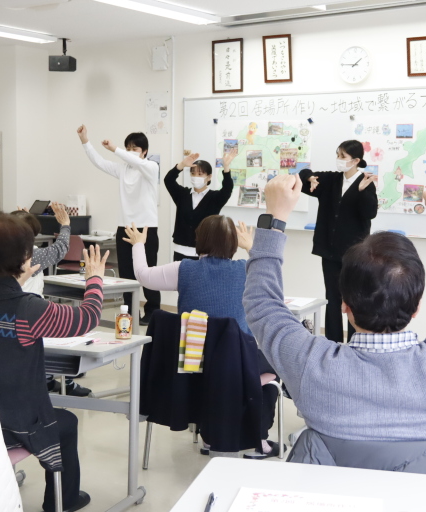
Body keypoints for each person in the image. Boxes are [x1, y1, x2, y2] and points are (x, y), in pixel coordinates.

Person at [243, 176, 426, 512]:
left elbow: (262, 301)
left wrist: (274, 218)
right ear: (418, 306)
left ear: (344, 305)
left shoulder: (310, 365)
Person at [0, 212, 109, 512]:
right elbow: (87, 318)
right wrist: (94, 279)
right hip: (6, 425)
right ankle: (62, 503)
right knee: (66, 423)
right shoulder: (27, 309)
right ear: (23, 259)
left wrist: (18, 277)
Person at [123, 216, 280, 458]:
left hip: (190, 365)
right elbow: (271, 276)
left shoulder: (182, 269)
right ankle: (259, 441)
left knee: (216, 375)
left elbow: (143, 275)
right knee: (272, 374)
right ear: (233, 243)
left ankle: (209, 437)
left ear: (199, 240)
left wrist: (138, 244)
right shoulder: (246, 269)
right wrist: (251, 248)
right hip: (234, 368)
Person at [77, 124, 160, 326]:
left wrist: (116, 149)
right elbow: (99, 162)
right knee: (126, 274)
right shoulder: (122, 169)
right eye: (128, 148)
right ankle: (129, 311)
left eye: (135, 149)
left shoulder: (151, 167)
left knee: (148, 273)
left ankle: (153, 312)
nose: (131, 152)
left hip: (146, 228)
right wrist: (85, 141)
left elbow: (130, 159)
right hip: (124, 227)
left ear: (145, 152)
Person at [298, 140, 377, 342]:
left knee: (353, 300)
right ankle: (333, 343)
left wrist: (361, 192)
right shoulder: (332, 180)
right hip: (330, 251)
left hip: (354, 254)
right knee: (333, 299)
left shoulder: (366, 182)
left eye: (343, 156)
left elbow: (370, 213)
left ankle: (354, 342)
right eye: (338, 155)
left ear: (356, 160)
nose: (338, 160)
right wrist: (310, 178)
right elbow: (302, 175)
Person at [164, 150, 235, 261]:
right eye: (193, 173)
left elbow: (227, 189)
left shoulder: (215, 198)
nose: (195, 176)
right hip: (180, 249)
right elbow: (168, 180)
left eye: (200, 174)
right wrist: (182, 165)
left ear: (209, 177)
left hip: (204, 253)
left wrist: (226, 167)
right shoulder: (182, 195)